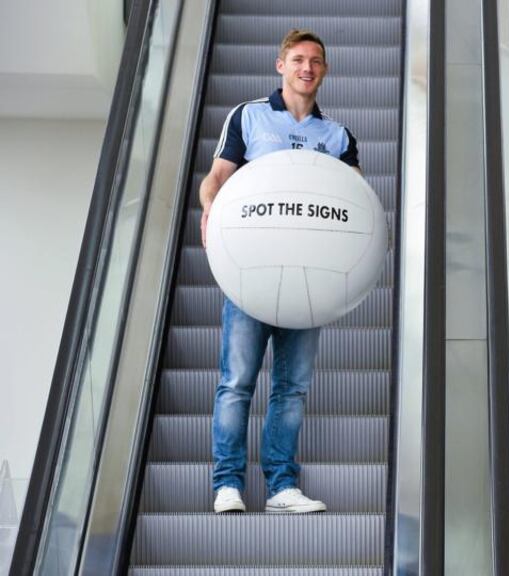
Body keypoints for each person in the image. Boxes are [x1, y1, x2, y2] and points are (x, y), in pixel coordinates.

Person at [199, 29, 361, 514]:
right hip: (251, 271)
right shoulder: (248, 116)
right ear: (281, 65)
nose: (307, 68)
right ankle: (227, 484)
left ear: (325, 70)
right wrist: (210, 211)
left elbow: (356, 204)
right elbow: (217, 178)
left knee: (292, 389)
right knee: (237, 382)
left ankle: (281, 487)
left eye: (316, 60)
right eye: (298, 59)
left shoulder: (337, 136)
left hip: (311, 280)